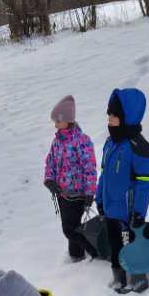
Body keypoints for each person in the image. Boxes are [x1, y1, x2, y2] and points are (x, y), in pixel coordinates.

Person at [95, 88, 149, 294]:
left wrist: (139, 213)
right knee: (115, 245)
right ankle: (118, 277)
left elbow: (145, 184)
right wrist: (99, 198)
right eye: (109, 115)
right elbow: (104, 174)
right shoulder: (110, 143)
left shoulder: (139, 146)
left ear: (126, 117)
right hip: (111, 208)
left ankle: (138, 280)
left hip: (128, 213)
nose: (109, 120)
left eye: (114, 116)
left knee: (130, 246)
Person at [44, 95, 98, 262]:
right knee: (72, 228)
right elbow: (50, 162)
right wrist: (49, 180)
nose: (56, 125)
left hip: (77, 194)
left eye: (58, 121)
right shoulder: (57, 141)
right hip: (61, 193)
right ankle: (76, 257)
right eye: (55, 122)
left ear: (68, 120)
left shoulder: (81, 140)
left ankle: (95, 252)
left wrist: (89, 193)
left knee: (70, 229)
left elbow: (90, 168)